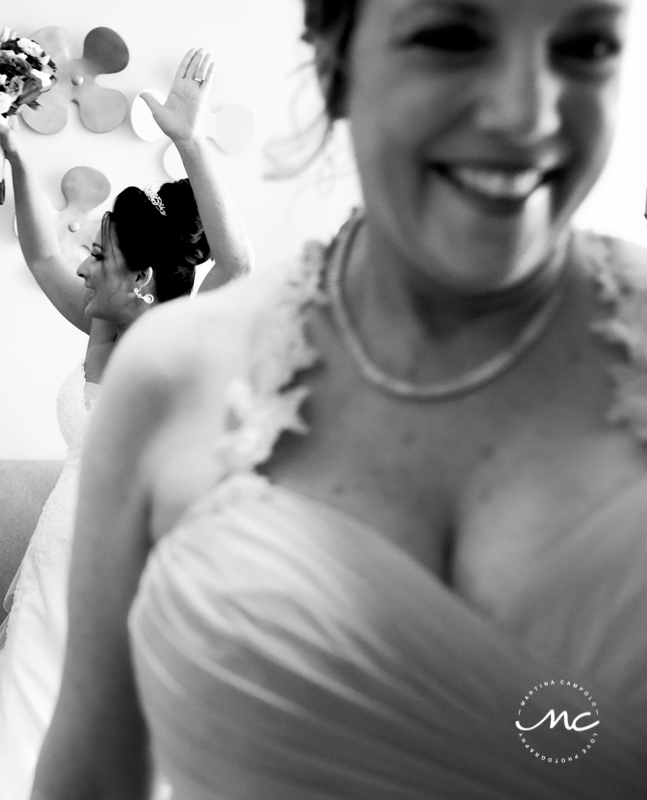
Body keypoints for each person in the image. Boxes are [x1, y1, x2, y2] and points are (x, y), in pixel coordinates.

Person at [32, 3, 647, 799]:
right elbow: (92, 776)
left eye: (586, 43)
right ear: (333, 61)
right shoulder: (172, 373)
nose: (525, 113)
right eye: (452, 36)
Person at [0, 49, 252, 800]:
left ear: (142, 279)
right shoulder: (96, 323)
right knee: (27, 716)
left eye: (102, 255)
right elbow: (35, 250)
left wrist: (189, 139)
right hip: (56, 556)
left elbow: (239, 265)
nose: (85, 266)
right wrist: (16, 152)